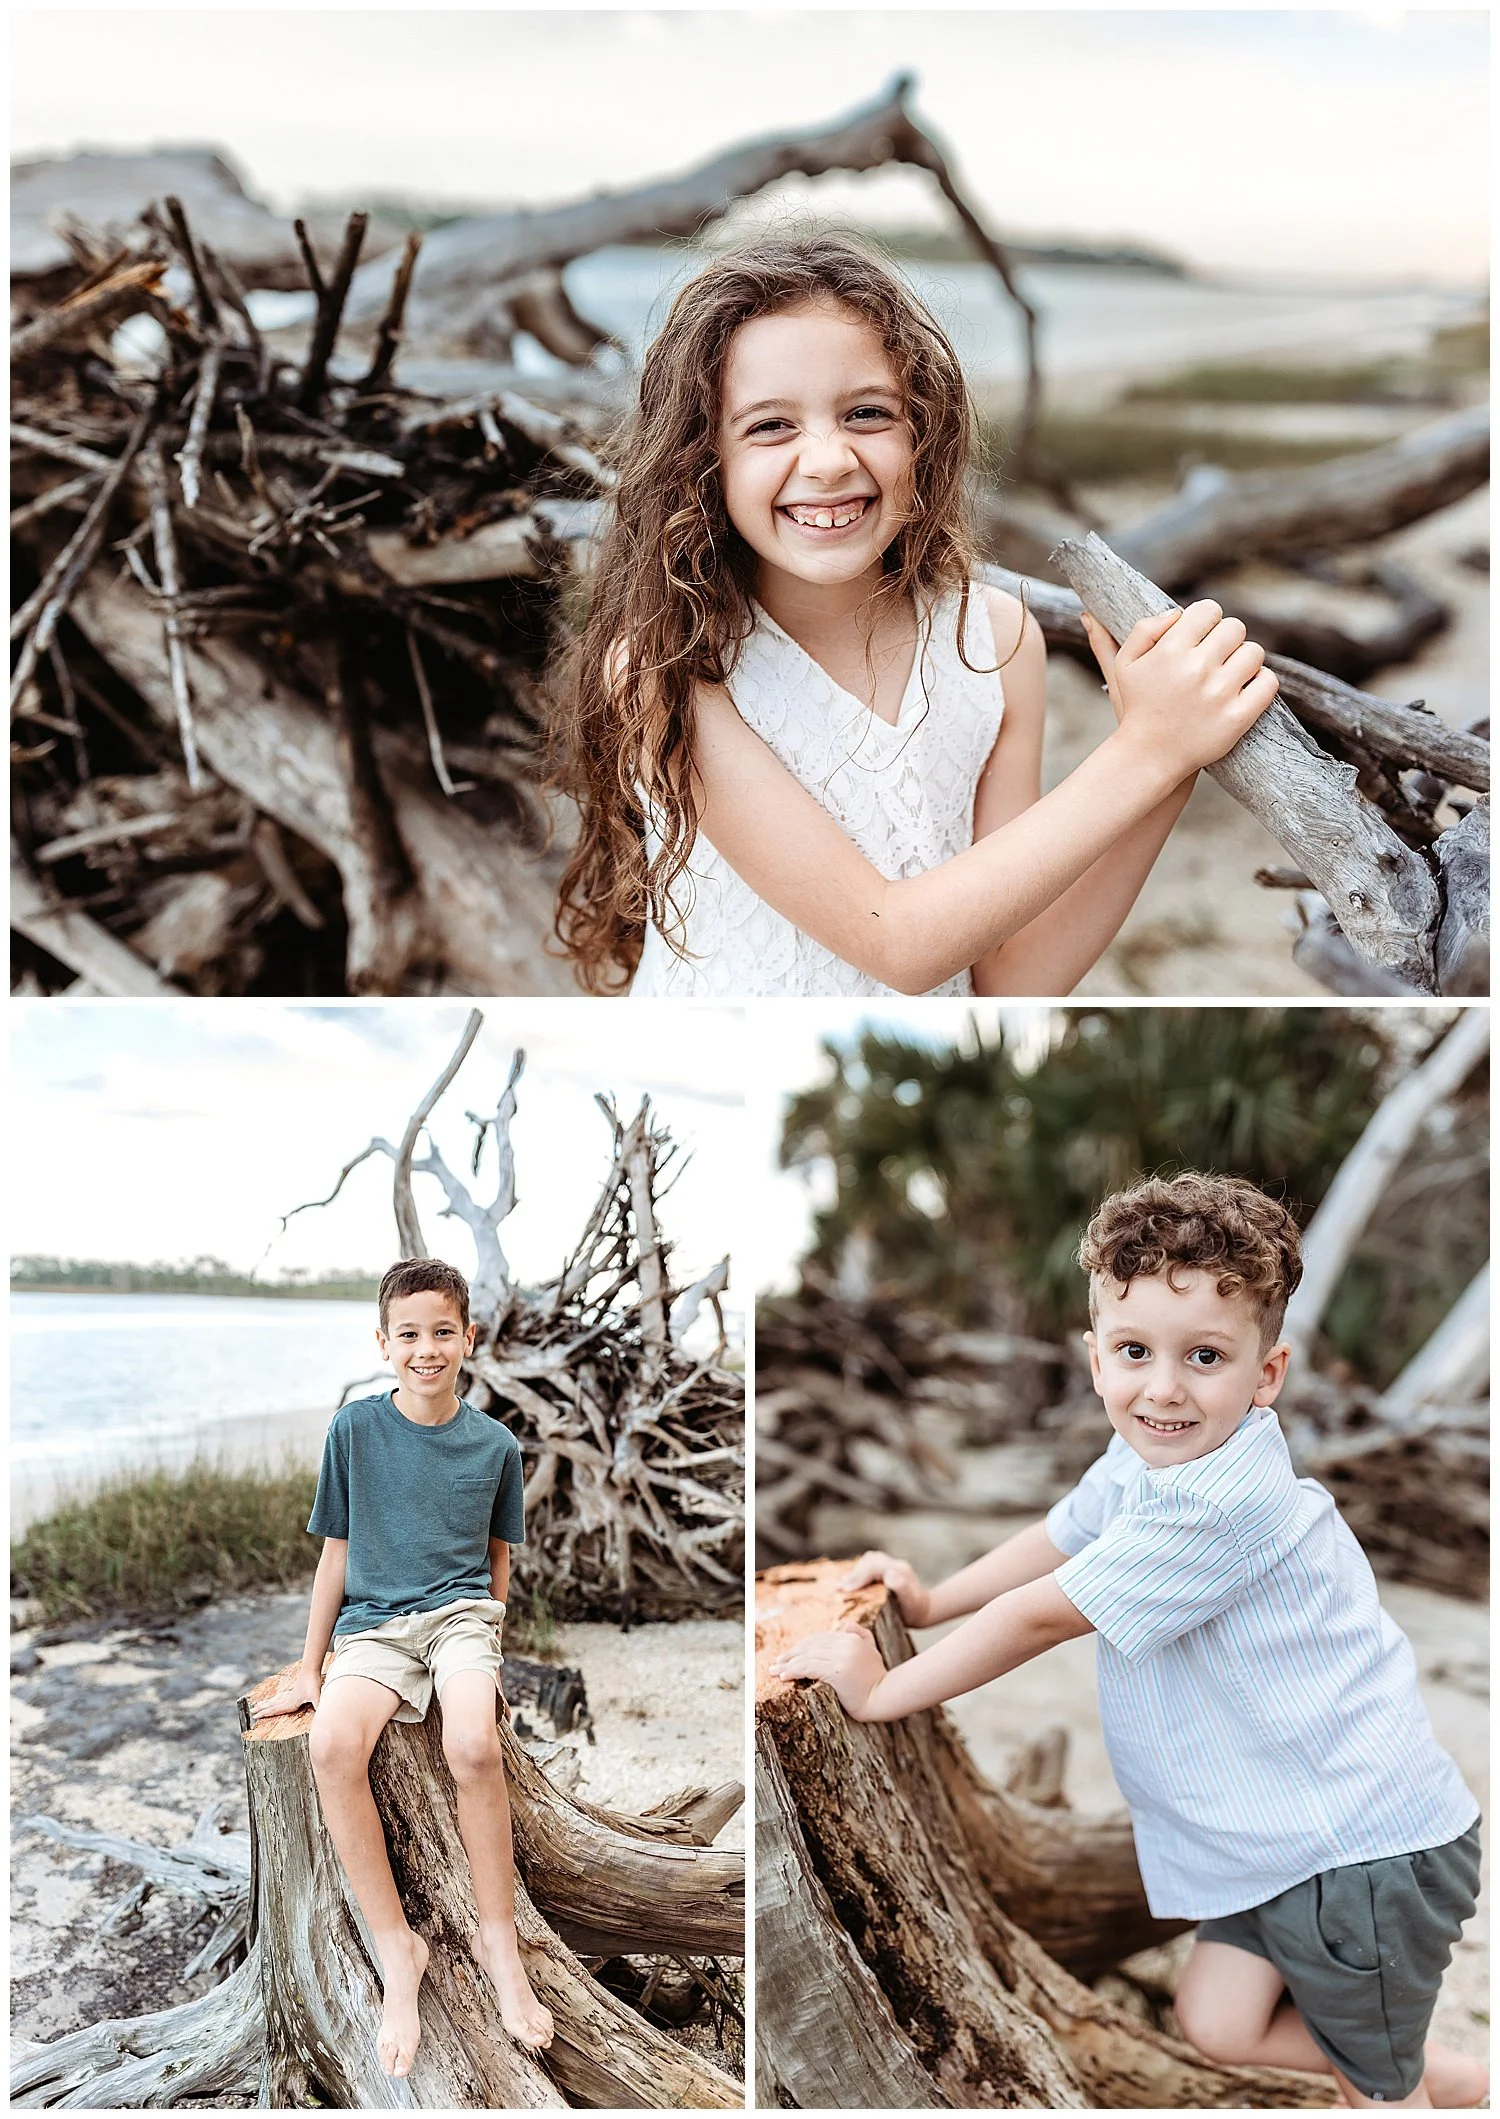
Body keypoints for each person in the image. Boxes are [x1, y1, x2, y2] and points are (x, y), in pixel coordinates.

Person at [771, 1173, 1485, 2109]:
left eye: (1205, 1356)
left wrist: (878, 1691)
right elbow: (1065, 1531)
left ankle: (1403, 2079)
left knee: (1371, 2093)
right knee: (1216, 2021)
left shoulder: (1225, 1501)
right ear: (1095, 1357)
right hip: (1278, 1843)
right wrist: (937, 1597)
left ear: (1266, 1374)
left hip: (1360, 1853)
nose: (1164, 1387)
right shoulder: (1152, 1454)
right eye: (1136, 1349)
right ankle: (1459, 2075)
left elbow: (1042, 1613)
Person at [553, 230, 1279, 997]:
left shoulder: (996, 638)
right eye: (770, 425)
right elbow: (898, 943)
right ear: (705, 461)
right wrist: (1147, 751)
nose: (829, 460)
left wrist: (1170, 763)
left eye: (867, 413)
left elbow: (1012, 980)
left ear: (922, 431)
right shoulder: (669, 669)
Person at [250, 1258, 553, 2079]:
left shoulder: (495, 1445)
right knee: (331, 1748)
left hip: (460, 1619)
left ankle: (500, 1943)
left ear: (469, 1338)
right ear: (383, 1342)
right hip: (375, 1629)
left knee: (474, 1746)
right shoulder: (352, 1430)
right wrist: (313, 1666)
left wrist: (485, 1652)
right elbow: (335, 1556)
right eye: (409, 1334)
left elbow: (497, 1563)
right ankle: (398, 1947)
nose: (427, 1349)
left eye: (443, 1332)